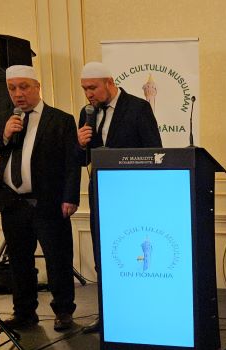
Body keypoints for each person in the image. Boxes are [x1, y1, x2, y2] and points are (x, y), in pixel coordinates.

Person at [0, 65, 81, 332]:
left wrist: (70, 197)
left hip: (48, 202)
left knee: (57, 259)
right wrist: (4, 135)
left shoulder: (60, 119)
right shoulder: (4, 118)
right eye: (12, 88)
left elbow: (72, 163)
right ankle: (24, 312)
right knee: (19, 262)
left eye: (24, 87)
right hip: (12, 203)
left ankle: (63, 311)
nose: (18, 94)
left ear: (37, 87)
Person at [76, 61, 162, 334]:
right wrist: (79, 143)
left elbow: (154, 151)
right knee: (104, 253)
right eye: (84, 89)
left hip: (132, 195)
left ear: (110, 83)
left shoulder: (138, 108)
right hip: (100, 193)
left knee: (132, 253)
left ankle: (140, 312)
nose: (88, 94)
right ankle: (108, 315)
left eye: (93, 87)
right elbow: (82, 160)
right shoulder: (87, 113)